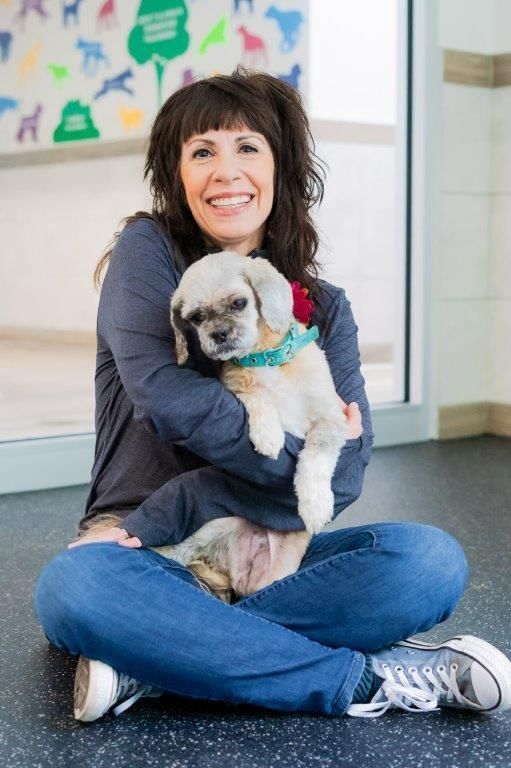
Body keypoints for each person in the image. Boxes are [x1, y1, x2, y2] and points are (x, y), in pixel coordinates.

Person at [34, 67, 511, 722]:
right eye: (202, 152)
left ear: (281, 166)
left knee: (427, 561)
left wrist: (314, 461)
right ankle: (365, 680)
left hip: (269, 553)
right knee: (77, 585)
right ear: (177, 174)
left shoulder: (323, 307)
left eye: (247, 147)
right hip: (145, 548)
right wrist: (308, 448)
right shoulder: (147, 252)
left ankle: (159, 658)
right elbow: (166, 398)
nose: (225, 172)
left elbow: (346, 476)